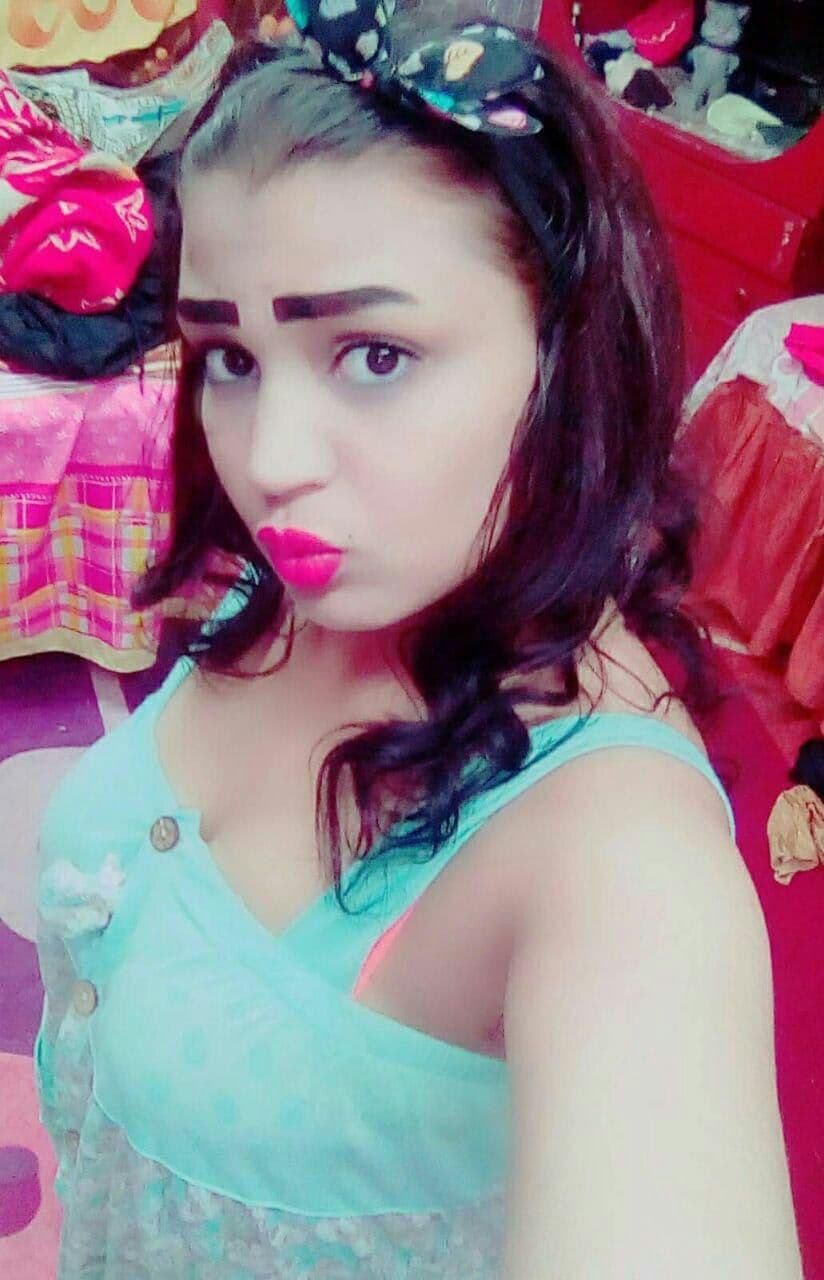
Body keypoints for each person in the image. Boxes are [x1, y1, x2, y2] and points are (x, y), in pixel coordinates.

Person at [34, 3, 804, 1276]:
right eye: (230, 356)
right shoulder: (314, 581)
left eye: (374, 354)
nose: (271, 461)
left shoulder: (619, 859)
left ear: (559, 352)